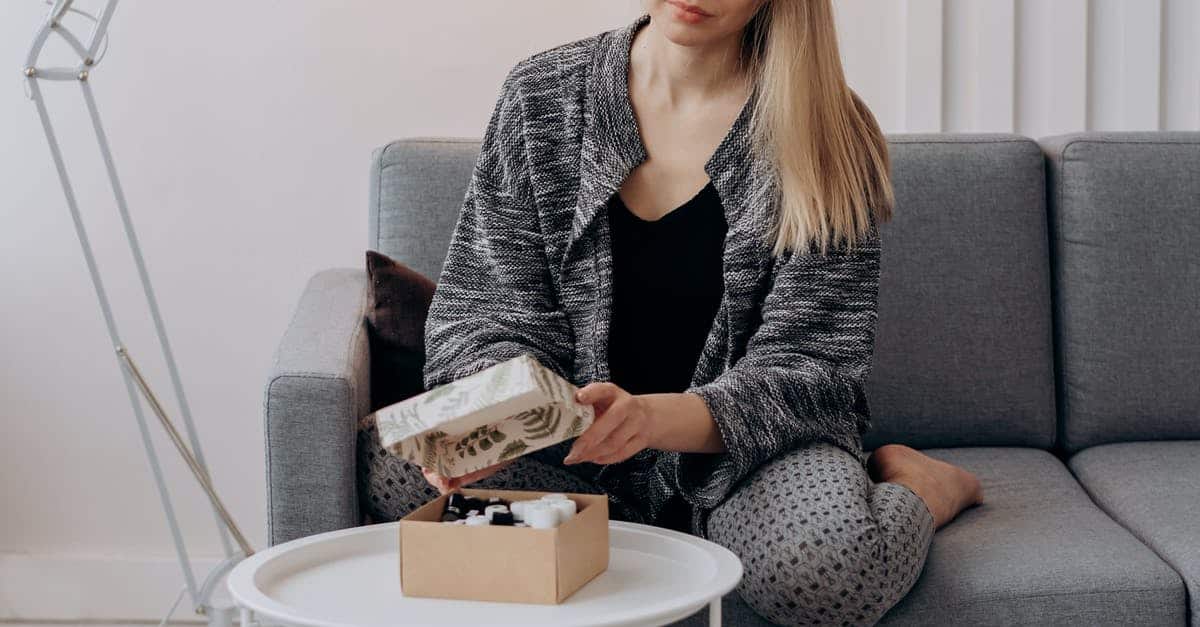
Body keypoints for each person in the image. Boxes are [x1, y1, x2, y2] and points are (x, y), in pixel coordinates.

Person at [363, 2, 984, 624]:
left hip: (747, 459)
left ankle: (924, 487)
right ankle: (654, 540)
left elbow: (815, 365)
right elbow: (486, 306)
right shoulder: (544, 94)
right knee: (389, 464)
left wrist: (655, 419)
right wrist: (498, 422)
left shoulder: (827, 127)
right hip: (572, 457)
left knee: (830, 572)